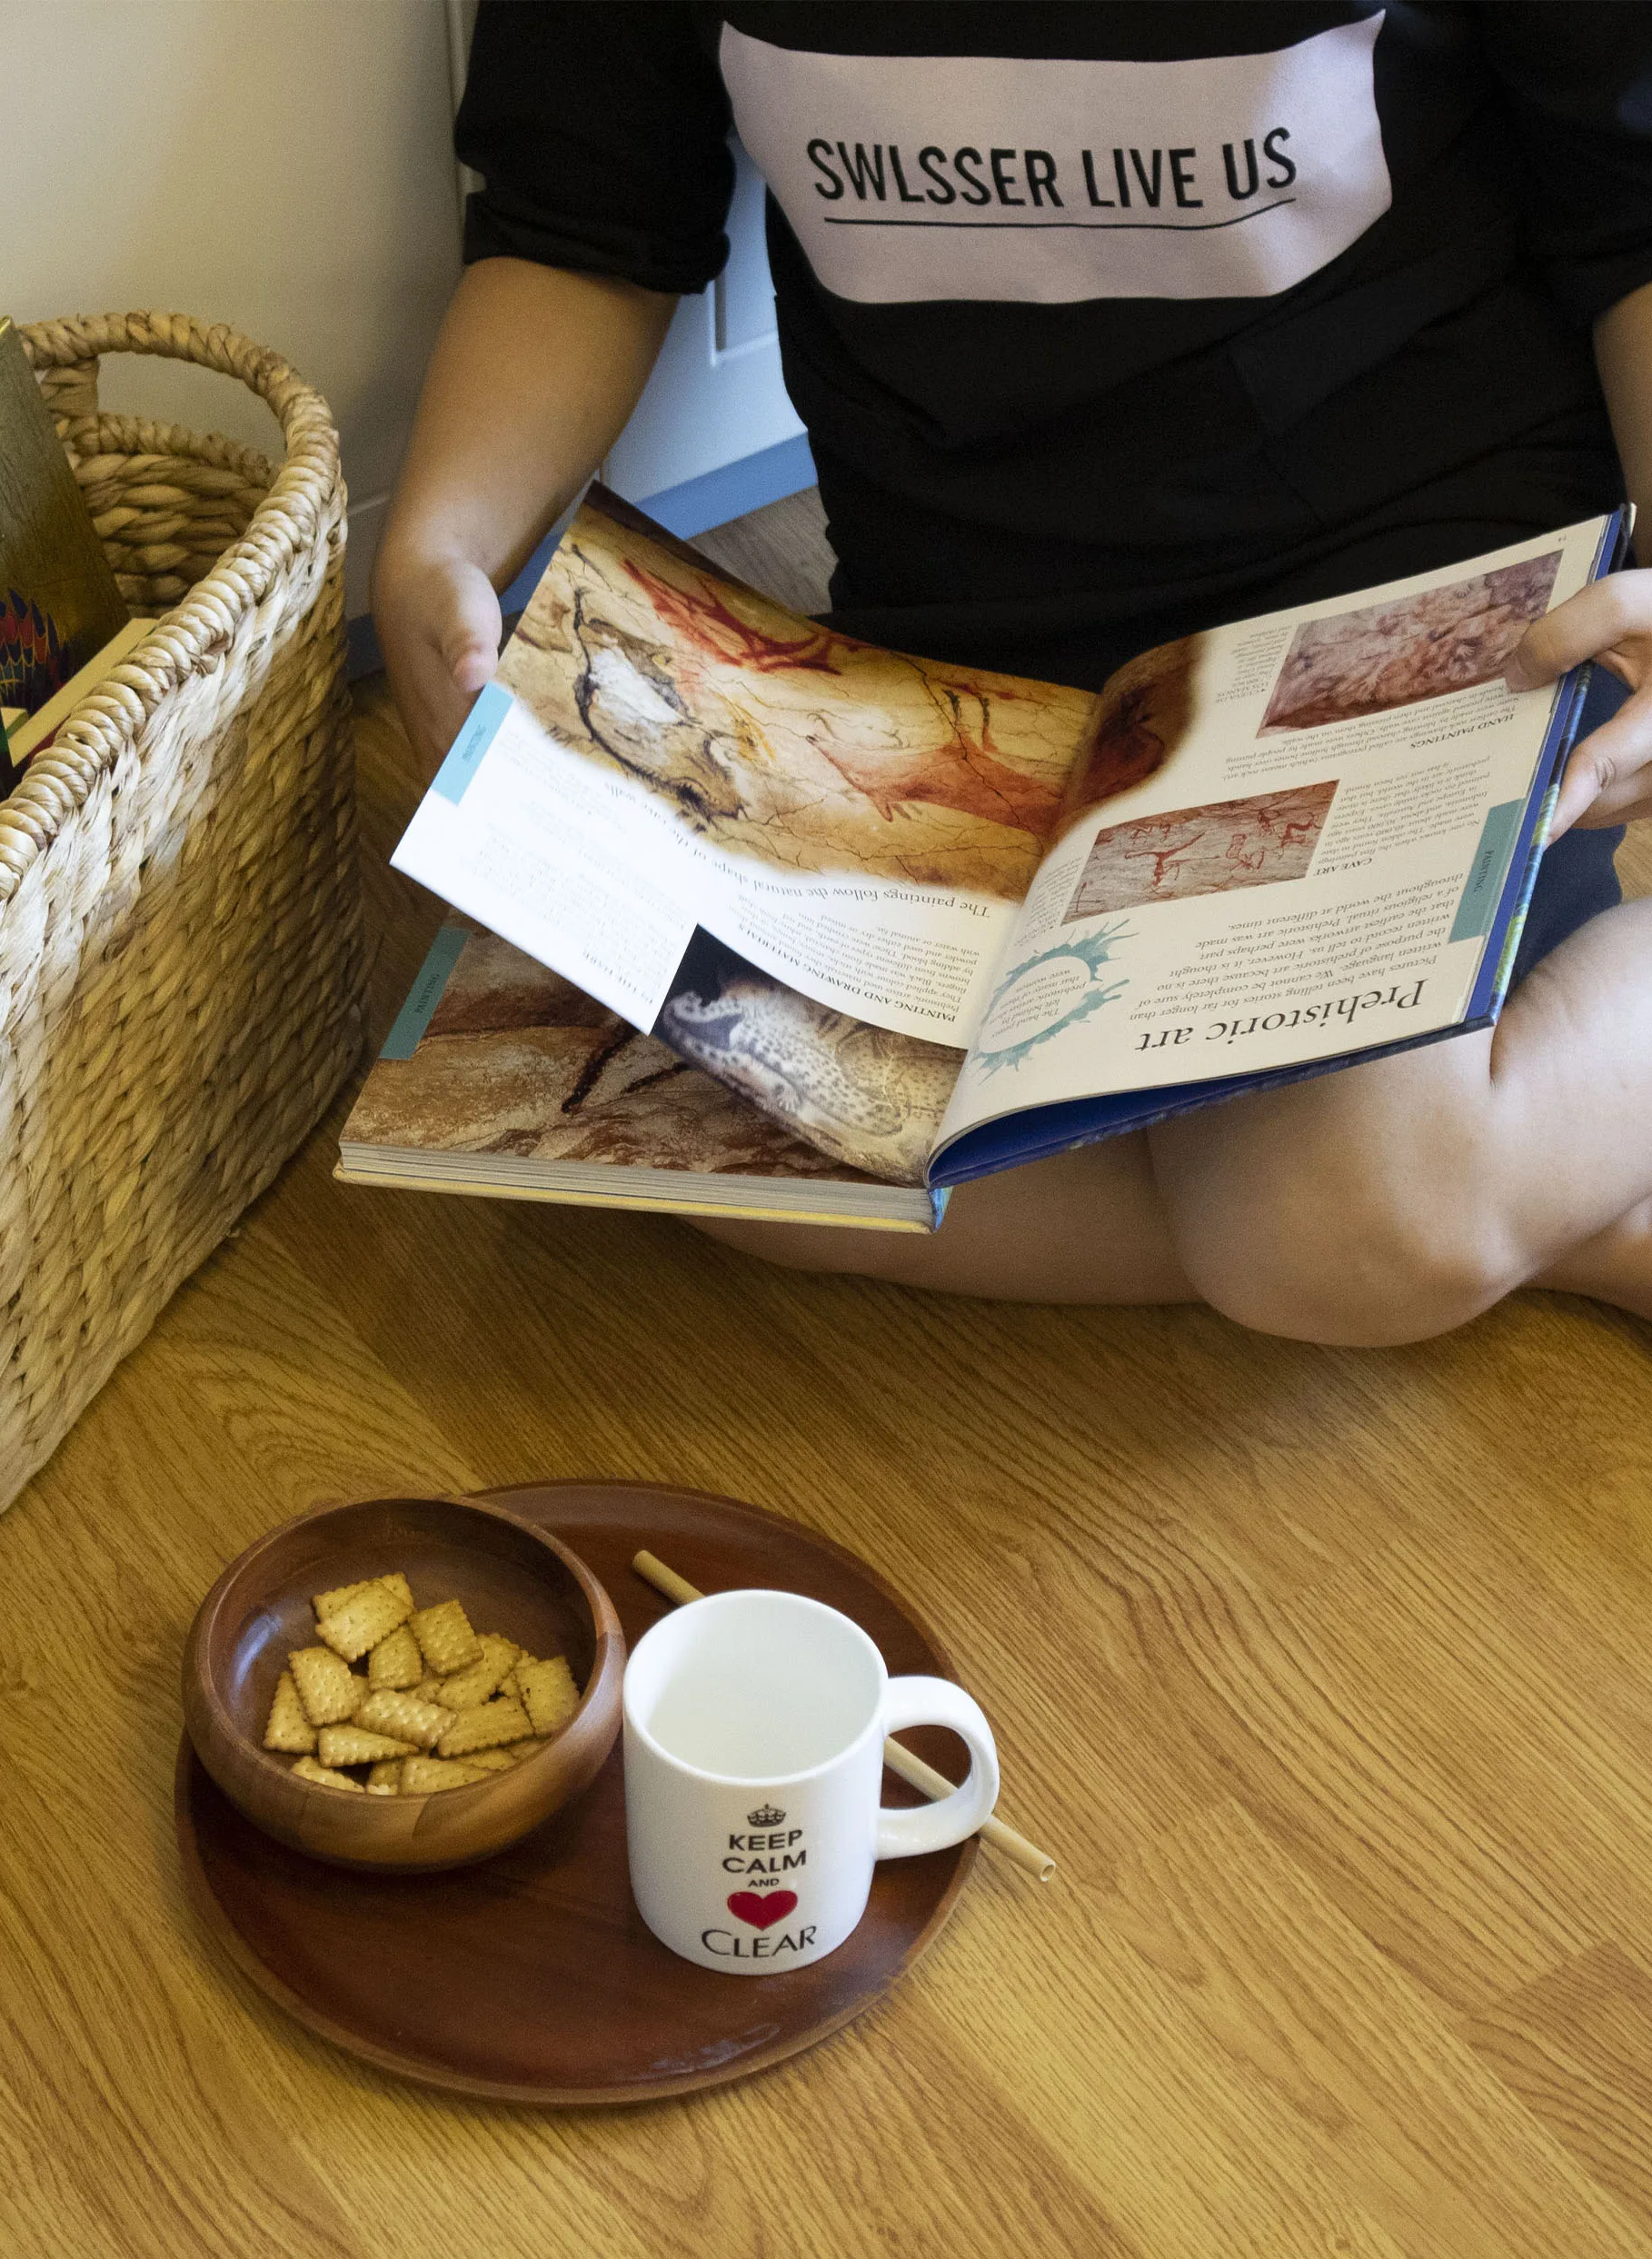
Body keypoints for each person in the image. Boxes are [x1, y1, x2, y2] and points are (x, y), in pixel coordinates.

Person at [371, 2, 1652, 1346]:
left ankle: (1476, 1196)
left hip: (1406, 589)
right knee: (705, 1138)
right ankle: (1532, 1192)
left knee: (1350, 1214)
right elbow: (583, 228)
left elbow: (1629, 212)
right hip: (964, 647)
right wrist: (445, 540)